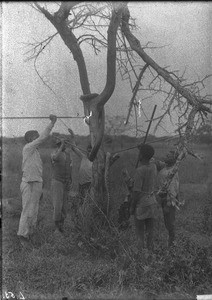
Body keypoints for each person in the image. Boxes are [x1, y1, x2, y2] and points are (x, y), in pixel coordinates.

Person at [17, 114, 57, 247]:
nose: (38, 137)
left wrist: (41, 184)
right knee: (27, 209)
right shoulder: (28, 148)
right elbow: (43, 137)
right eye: (36, 136)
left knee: (34, 210)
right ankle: (22, 236)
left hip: (36, 183)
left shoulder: (36, 153)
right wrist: (52, 123)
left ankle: (31, 235)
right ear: (30, 139)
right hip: (28, 183)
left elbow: (38, 170)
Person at [130, 144, 158, 252]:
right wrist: (142, 149)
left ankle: (140, 258)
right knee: (150, 233)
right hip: (152, 202)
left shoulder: (140, 170)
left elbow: (136, 192)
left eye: (139, 154)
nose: (138, 156)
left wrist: (132, 207)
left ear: (141, 156)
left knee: (139, 233)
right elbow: (151, 157)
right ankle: (150, 255)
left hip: (142, 205)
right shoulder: (153, 166)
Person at [157, 150, 180, 247]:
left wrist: (168, 203)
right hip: (163, 198)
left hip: (169, 200)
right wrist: (142, 148)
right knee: (167, 223)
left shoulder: (172, 171)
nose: (166, 156)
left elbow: (173, 190)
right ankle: (171, 244)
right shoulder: (165, 166)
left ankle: (172, 245)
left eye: (169, 156)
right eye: (166, 154)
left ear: (174, 159)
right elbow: (154, 160)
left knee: (170, 224)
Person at [51, 137, 72, 233]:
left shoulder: (67, 154)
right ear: (58, 145)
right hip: (57, 182)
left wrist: (70, 180)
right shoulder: (55, 153)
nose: (62, 145)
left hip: (66, 182)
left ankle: (61, 226)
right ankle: (56, 227)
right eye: (60, 144)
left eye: (63, 144)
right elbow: (55, 158)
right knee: (58, 205)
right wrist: (61, 147)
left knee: (65, 206)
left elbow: (69, 167)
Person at [67, 128, 92, 199]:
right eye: (88, 150)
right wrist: (72, 136)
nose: (89, 152)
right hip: (81, 183)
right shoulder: (84, 157)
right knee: (81, 200)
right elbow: (74, 148)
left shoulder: (95, 161)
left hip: (89, 184)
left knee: (88, 200)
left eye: (91, 151)